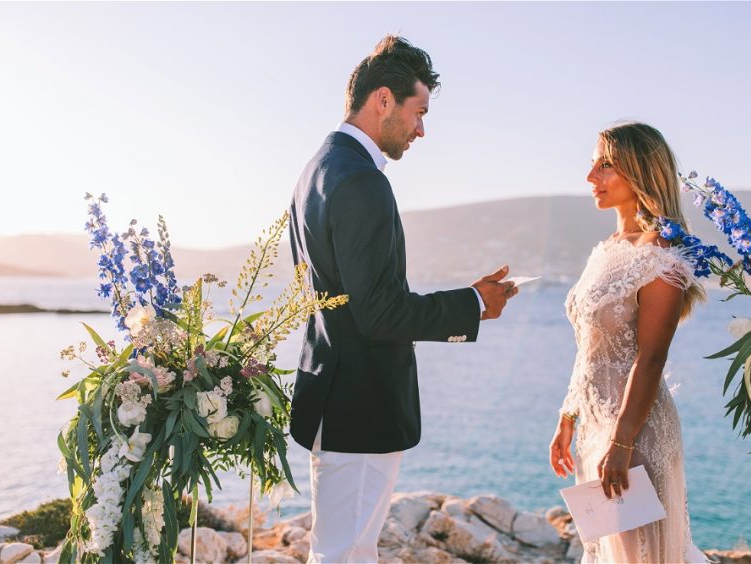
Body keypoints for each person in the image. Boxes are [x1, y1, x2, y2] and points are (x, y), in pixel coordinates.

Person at [288, 35, 517, 563]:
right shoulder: (362, 181)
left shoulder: (316, 170)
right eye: (419, 112)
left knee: (342, 552)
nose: (421, 130)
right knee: (346, 556)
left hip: (332, 398)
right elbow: (379, 311)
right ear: (383, 99)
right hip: (362, 406)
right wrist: (474, 304)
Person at [549, 122, 709, 562]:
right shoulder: (606, 249)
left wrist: (621, 443)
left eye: (606, 166)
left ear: (639, 172)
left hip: (636, 432)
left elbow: (652, 357)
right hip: (596, 429)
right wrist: (569, 415)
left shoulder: (662, 255)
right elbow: (589, 347)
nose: (590, 177)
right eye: (593, 165)